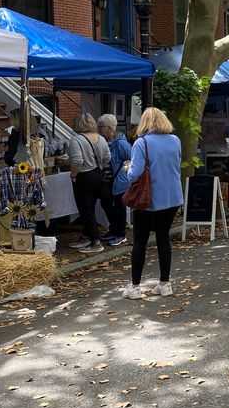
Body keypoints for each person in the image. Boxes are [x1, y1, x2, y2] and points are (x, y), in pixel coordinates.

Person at [123, 107, 183, 298]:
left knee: (140, 241)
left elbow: (135, 174)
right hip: (173, 197)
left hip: (148, 199)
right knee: (163, 238)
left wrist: (127, 169)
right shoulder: (175, 141)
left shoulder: (142, 143)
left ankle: (134, 287)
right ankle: (165, 284)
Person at [67, 113, 111, 254]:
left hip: (84, 177)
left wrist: (73, 174)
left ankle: (95, 241)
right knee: (91, 208)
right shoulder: (101, 138)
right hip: (98, 175)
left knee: (86, 210)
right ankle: (87, 236)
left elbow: (77, 161)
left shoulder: (76, 140)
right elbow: (107, 157)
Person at [97, 113, 132, 246]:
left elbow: (132, 159)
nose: (99, 129)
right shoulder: (105, 142)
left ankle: (120, 234)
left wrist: (123, 175)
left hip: (119, 181)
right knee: (106, 203)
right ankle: (113, 230)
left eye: (101, 126)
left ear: (110, 128)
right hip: (107, 180)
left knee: (119, 206)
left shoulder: (121, 144)